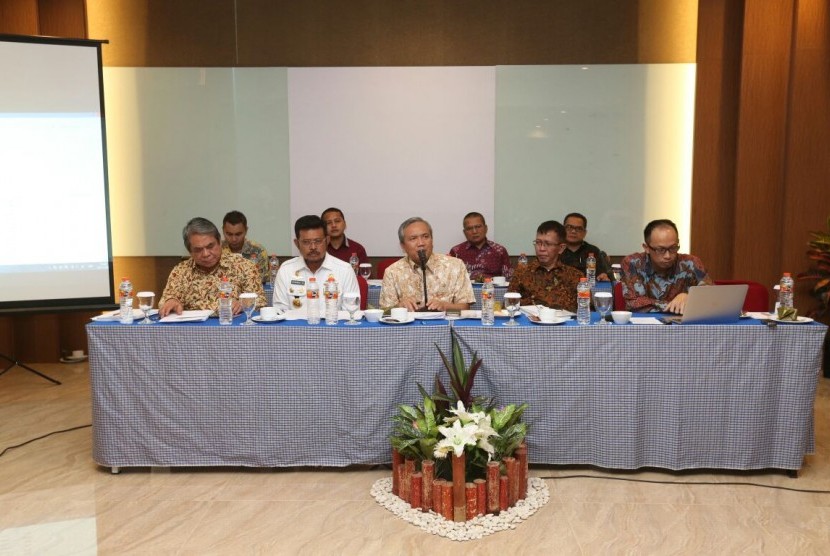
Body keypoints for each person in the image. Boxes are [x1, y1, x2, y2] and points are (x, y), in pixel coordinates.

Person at [159, 217, 266, 316]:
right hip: (191, 333)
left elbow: (260, 301)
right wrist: (171, 302)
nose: (206, 254)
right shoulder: (180, 271)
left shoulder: (244, 266)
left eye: (210, 246)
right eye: (198, 249)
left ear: (219, 242)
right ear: (190, 251)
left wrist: (242, 304)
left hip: (233, 332)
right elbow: (166, 301)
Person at [379, 217, 475, 312]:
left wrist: (445, 306)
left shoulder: (455, 266)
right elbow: (384, 312)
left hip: (445, 325)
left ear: (432, 240)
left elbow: (465, 307)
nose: (421, 243)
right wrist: (399, 306)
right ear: (403, 246)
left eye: (425, 237)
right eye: (413, 238)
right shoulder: (392, 272)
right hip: (408, 326)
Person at [621, 218, 713, 313]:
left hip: (681, 324)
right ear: (647, 248)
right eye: (661, 250)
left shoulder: (691, 263)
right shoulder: (633, 263)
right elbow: (633, 303)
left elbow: (711, 296)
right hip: (644, 324)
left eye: (673, 248)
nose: (668, 256)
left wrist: (689, 296)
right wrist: (674, 305)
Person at [273, 215, 359, 312]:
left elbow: (351, 314)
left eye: (318, 241)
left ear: (327, 241)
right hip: (295, 327)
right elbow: (279, 312)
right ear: (297, 244)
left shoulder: (344, 270)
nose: (313, 247)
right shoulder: (286, 270)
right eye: (306, 242)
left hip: (334, 326)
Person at [507, 220, 583, 312]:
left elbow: (587, 310)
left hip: (565, 324)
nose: (541, 249)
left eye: (548, 244)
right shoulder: (522, 273)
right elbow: (509, 307)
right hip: (530, 324)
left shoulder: (575, 276)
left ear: (561, 248)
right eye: (538, 243)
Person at [448, 212, 512, 281]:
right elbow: (450, 281)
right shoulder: (456, 252)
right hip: (466, 291)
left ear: (486, 228)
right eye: (469, 228)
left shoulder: (500, 251)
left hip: (494, 290)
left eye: (478, 227)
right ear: (464, 232)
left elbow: (509, 279)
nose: (474, 231)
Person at [221, 210, 270, 283]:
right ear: (223, 230)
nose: (234, 239)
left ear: (246, 230)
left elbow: (261, 279)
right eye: (229, 234)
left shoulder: (258, 250)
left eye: (238, 234)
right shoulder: (216, 250)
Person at [559, 212, 611, 281]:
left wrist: (604, 277)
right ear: (563, 230)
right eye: (569, 227)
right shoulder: (556, 250)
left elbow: (602, 275)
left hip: (588, 289)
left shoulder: (593, 251)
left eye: (578, 228)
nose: (573, 231)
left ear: (584, 233)